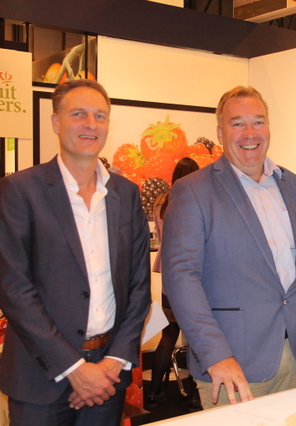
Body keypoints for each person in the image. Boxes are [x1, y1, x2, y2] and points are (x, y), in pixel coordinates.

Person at [0, 79, 150, 426]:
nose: (91, 124)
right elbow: (14, 289)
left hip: (108, 373)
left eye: (100, 116)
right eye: (79, 114)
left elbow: (139, 286)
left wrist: (114, 361)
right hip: (42, 376)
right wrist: (75, 369)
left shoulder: (126, 194)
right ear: (56, 122)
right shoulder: (19, 190)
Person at [161, 86, 296, 408]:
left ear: (269, 127)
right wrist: (215, 355)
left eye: (258, 121)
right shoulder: (193, 191)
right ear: (221, 133)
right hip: (232, 365)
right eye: (237, 123)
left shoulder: (293, 184)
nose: (250, 133)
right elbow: (181, 279)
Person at [146, 157, 200, 410]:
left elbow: (159, 237)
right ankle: (195, 395)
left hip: (169, 275)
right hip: (193, 275)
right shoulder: (195, 198)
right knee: (197, 336)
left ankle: (154, 392)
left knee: (168, 334)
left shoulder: (161, 201)